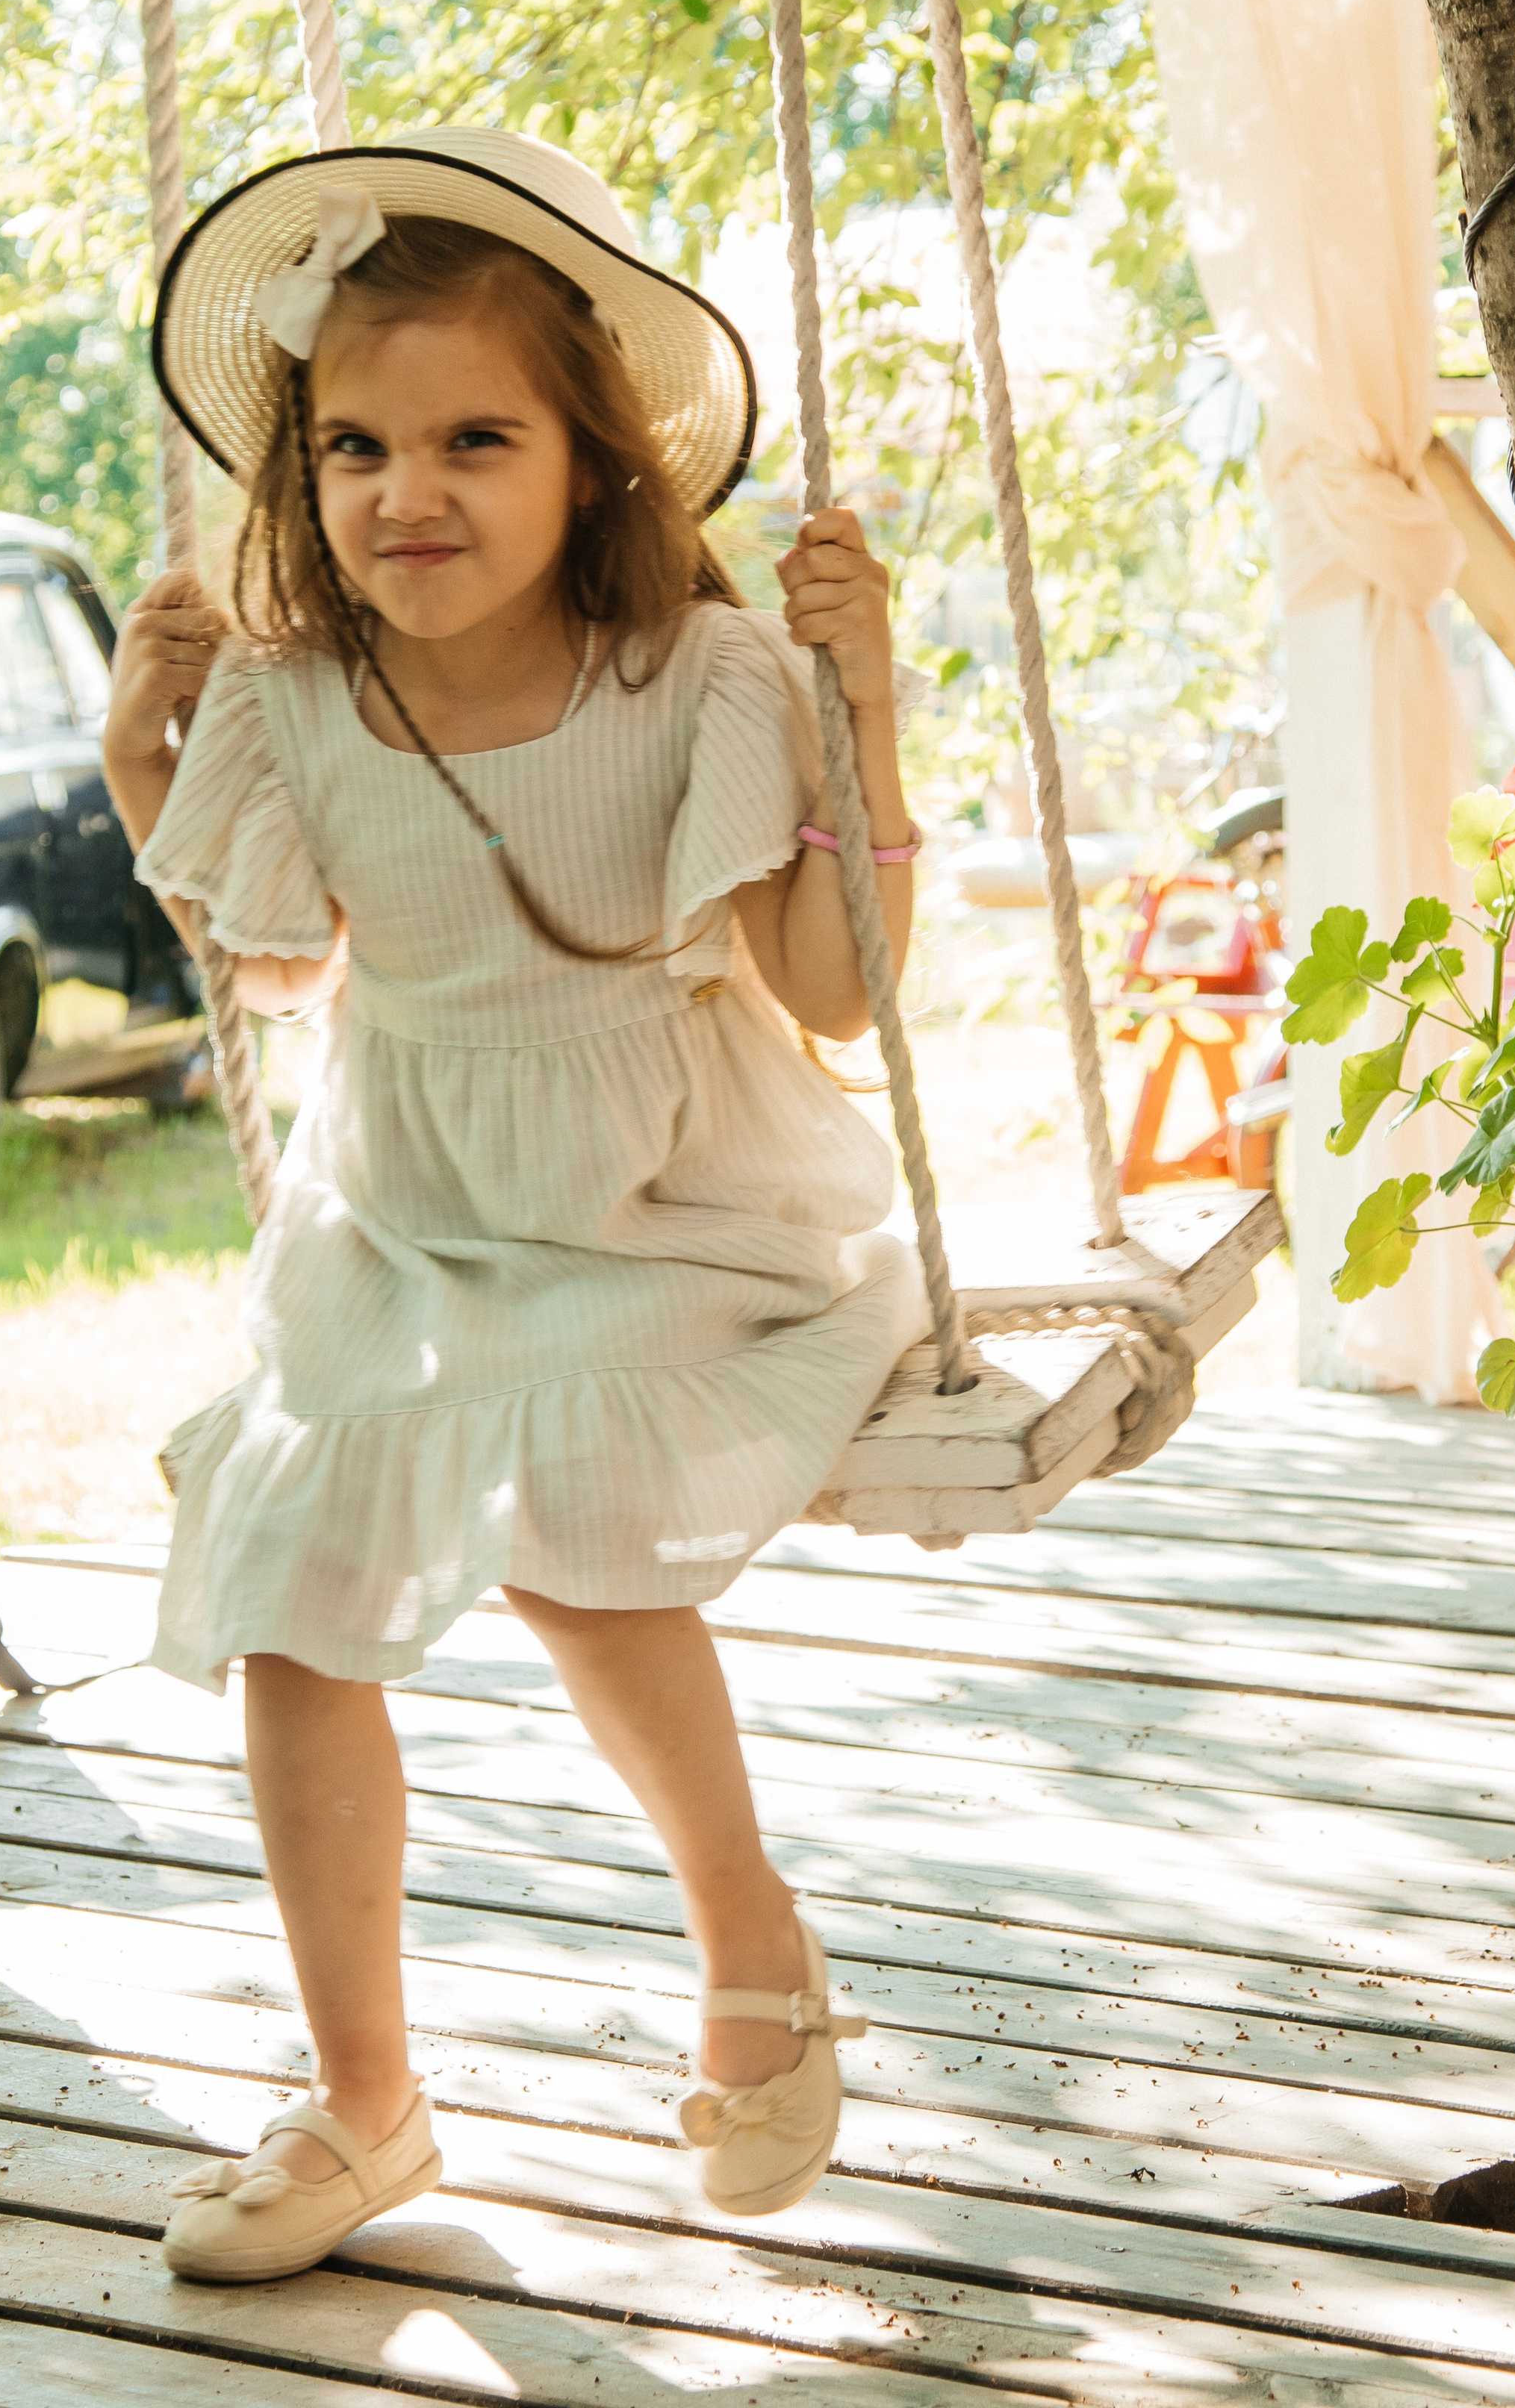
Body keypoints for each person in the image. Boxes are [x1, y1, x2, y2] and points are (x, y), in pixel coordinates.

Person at [103, 127, 928, 2285]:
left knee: (558, 1497)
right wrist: (142, 764)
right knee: (289, 1574)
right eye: (360, 446)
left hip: (670, 1211)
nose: (411, 491)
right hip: (410, 1219)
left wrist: (870, 722)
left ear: (596, 461)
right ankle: (366, 2101)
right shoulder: (296, 699)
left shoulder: (702, 682)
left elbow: (835, 992)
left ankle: (751, 1929)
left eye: (478, 436)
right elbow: (269, 962)